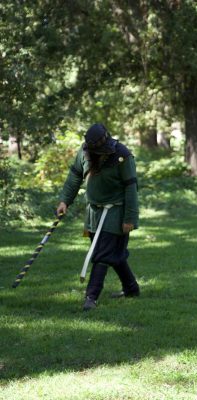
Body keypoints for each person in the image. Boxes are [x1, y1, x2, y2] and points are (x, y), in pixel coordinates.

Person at [57, 123, 140, 311]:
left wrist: (130, 218)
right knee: (113, 253)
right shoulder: (85, 151)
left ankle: (91, 297)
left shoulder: (122, 155)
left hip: (116, 212)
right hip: (93, 213)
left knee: (102, 254)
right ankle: (132, 288)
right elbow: (75, 176)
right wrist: (64, 201)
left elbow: (131, 188)